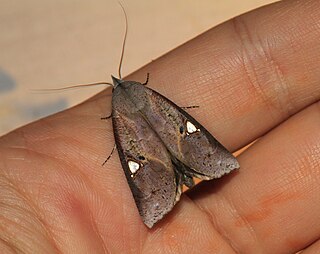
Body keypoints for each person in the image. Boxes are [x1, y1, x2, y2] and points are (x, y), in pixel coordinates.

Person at [0, 0, 319, 253]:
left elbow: (122, 137)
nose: (115, 83)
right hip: (167, 119)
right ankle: (209, 165)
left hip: (138, 145)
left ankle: (164, 193)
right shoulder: (144, 91)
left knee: (136, 154)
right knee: (184, 128)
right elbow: (171, 114)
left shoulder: (118, 106)